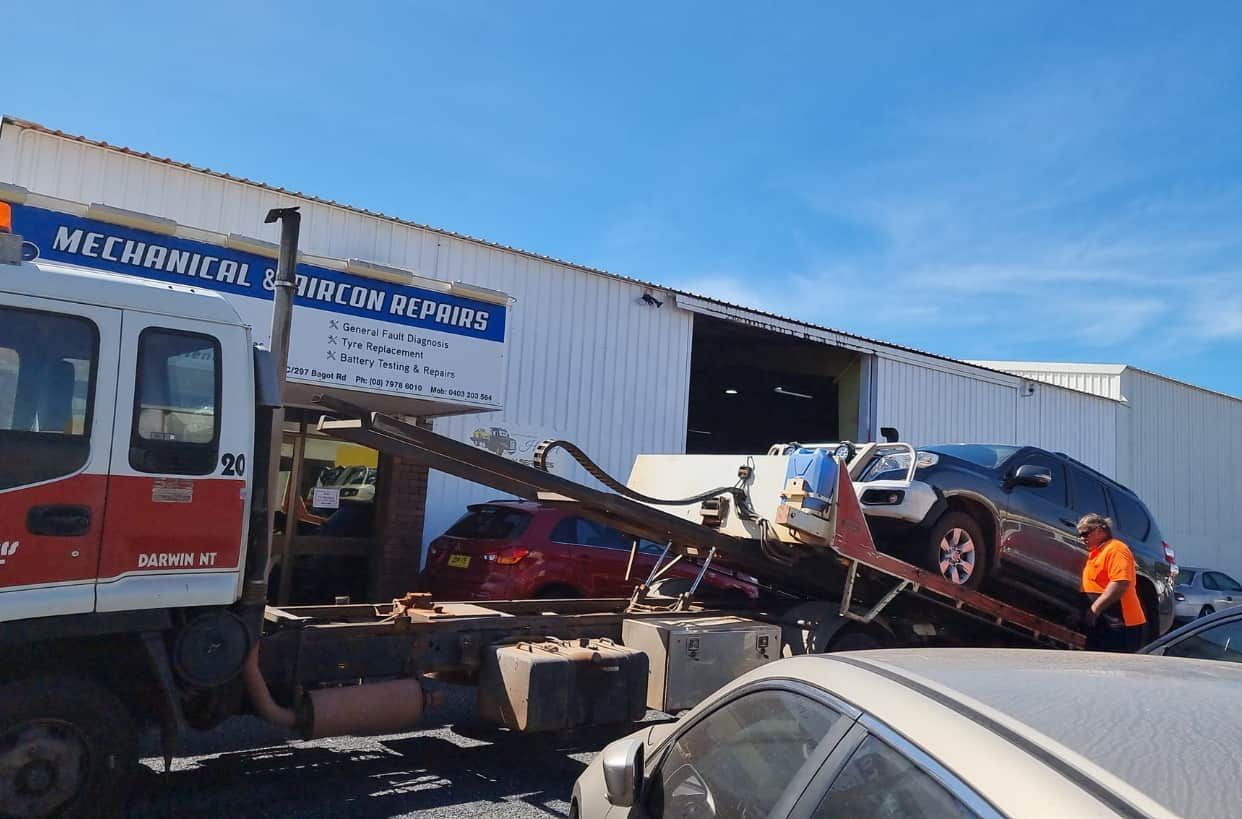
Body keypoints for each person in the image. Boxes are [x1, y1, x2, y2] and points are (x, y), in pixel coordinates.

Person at [1078, 513, 1146, 652]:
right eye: (1080, 535)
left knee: (1116, 670)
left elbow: (1120, 583)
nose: (1082, 538)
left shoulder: (1116, 549)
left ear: (1099, 530)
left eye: (1085, 534)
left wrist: (1094, 609)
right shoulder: (1098, 552)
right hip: (1105, 623)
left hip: (1120, 626)